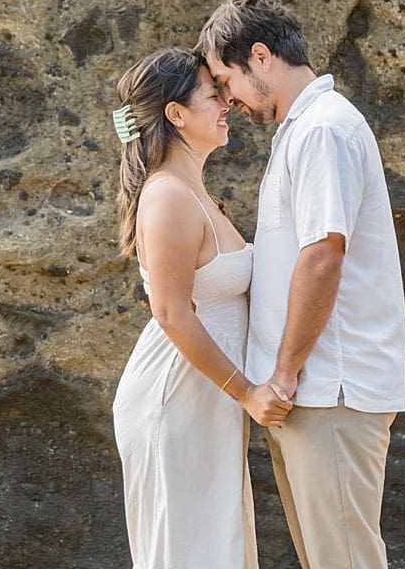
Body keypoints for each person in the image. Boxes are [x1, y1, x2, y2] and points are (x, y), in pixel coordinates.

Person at [198, 0, 405, 569]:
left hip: (327, 390)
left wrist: (284, 375)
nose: (229, 99)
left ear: (261, 57)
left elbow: (323, 255)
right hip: (310, 394)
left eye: (228, 81)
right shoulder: (303, 128)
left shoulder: (322, 130)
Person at [111, 46, 292, 569]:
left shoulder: (194, 191)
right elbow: (170, 312)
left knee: (216, 548)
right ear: (176, 114)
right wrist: (248, 392)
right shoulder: (167, 196)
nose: (226, 104)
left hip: (203, 400)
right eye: (213, 95)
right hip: (175, 401)